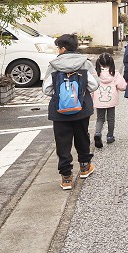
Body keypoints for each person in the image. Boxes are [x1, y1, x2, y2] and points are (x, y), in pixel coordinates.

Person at [42, 34, 99, 190]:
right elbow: (94, 85)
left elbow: (46, 89)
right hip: (81, 108)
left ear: (63, 48)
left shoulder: (53, 65)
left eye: (58, 48)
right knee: (82, 136)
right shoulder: (85, 63)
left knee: (63, 142)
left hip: (59, 110)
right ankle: (85, 167)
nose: (58, 51)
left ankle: (66, 177)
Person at [93, 52, 127, 148]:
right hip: (111, 100)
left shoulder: (96, 74)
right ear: (111, 62)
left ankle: (98, 133)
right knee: (111, 118)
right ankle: (110, 136)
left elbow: (90, 87)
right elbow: (122, 86)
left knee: (100, 118)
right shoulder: (115, 74)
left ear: (98, 62)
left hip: (98, 100)